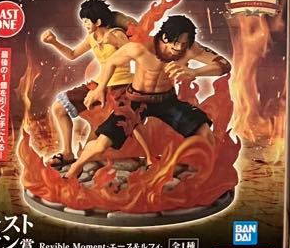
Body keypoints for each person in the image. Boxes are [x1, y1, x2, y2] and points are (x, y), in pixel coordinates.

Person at [65, 15, 231, 180]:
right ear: (164, 37)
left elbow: (224, 64)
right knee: (101, 144)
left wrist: (195, 72)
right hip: (136, 100)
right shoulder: (140, 48)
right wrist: (100, 88)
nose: (179, 48)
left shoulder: (190, 49)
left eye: (184, 43)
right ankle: (76, 167)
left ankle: (210, 175)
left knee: (204, 132)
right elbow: (112, 62)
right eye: (176, 42)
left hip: (167, 100)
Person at [40, 0, 136, 170]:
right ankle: (67, 153)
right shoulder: (92, 37)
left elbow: (136, 52)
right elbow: (72, 54)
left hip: (121, 86)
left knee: (98, 138)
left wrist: (117, 42)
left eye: (86, 21)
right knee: (59, 108)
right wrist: (54, 42)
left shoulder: (116, 34)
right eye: (83, 21)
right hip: (99, 84)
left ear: (97, 22)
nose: (84, 24)